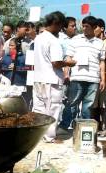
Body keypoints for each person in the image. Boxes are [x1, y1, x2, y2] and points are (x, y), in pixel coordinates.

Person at [33, 11, 76, 142]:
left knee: (39, 108)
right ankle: (50, 136)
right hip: (51, 79)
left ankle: (37, 135)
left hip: (39, 78)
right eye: (61, 26)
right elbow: (56, 63)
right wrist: (69, 63)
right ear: (56, 24)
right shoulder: (53, 40)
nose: (61, 30)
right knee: (53, 108)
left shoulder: (38, 38)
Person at [60, 16, 106, 131]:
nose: (84, 28)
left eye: (87, 27)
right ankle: (64, 126)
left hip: (93, 80)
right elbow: (68, 58)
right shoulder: (75, 39)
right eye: (83, 26)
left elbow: (102, 62)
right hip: (76, 77)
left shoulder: (100, 43)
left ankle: (84, 129)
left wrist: (103, 79)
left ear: (95, 27)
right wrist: (66, 74)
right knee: (71, 103)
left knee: (88, 105)